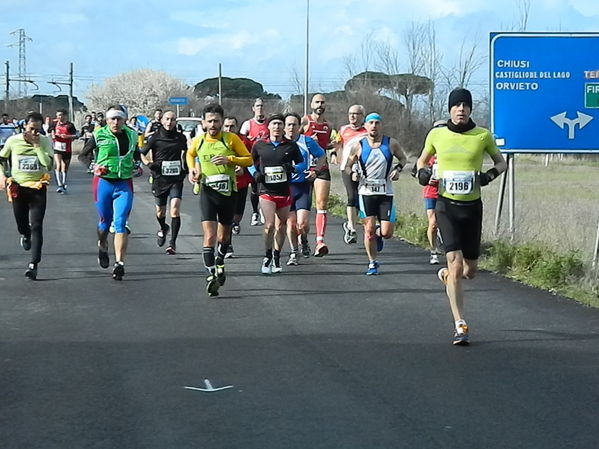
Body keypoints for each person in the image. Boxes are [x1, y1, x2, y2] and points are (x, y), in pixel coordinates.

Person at [416, 88, 507, 345]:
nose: (461, 110)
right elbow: (421, 163)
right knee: (455, 264)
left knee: (469, 271)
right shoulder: (437, 134)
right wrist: (423, 174)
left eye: (466, 106)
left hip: (472, 207)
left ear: (470, 110)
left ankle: (448, 277)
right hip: (446, 206)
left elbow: (501, 163)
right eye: (457, 105)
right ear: (449, 109)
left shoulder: (482, 136)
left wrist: (487, 177)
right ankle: (460, 324)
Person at [186, 104, 252, 297]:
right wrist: (192, 170)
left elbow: (248, 159)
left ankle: (220, 261)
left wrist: (230, 160)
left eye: (216, 121)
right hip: (208, 192)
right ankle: (211, 275)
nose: (213, 125)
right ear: (204, 123)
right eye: (209, 121)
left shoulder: (230, 139)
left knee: (224, 237)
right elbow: (190, 155)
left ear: (222, 121)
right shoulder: (198, 142)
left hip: (228, 193)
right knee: (209, 237)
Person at [79, 105, 140, 280]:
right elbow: (83, 156)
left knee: (120, 223)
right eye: (112, 118)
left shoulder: (132, 135)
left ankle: (119, 263)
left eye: (119, 118)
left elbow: (136, 154)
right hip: (103, 183)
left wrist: (138, 164)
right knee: (105, 223)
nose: (115, 122)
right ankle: (102, 244)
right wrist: (94, 166)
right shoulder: (99, 135)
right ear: (107, 120)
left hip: (124, 183)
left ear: (124, 120)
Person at [345, 112, 407, 276]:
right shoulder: (359, 145)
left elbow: (403, 159)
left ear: (381, 125)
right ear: (365, 126)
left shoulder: (391, 143)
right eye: (370, 123)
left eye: (377, 123)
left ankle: (380, 235)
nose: (374, 126)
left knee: (386, 232)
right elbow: (348, 165)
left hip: (385, 193)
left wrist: (398, 169)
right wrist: (353, 173)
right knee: (369, 229)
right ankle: (372, 262)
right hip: (366, 192)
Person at [0, 112, 53, 280]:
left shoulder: (44, 141)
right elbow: (1, 159)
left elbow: (48, 164)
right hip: (18, 187)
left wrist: (37, 146)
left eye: (38, 130)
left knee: (37, 225)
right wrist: (2, 176)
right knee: (22, 223)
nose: (35, 133)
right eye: (32, 129)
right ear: (25, 127)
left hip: (38, 187)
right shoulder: (13, 141)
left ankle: (33, 264)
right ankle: (25, 234)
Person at [252, 113, 303, 274]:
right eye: (274, 124)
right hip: (266, 191)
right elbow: (249, 162)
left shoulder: (290, 146)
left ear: (283, 127)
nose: (277, 127)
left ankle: (276, 255)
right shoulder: (260, 145)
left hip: (284, 192)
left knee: (281, 226)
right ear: (268, 126)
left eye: (280, 124)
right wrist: (255, 174)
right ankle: (267, 256)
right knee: (269, 225)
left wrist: (293, 168)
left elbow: (302, 163)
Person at [140, 110, 188, 255]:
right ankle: (163, 227)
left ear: (175, 122)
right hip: (160, 178)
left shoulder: (180, 138)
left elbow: (186, 153)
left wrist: (186, 166)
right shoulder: (155, 138)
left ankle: (172, 243)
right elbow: (142, 152)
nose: (169, 122)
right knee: (160, 212)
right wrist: (149, 164)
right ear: (162, 121)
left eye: (172, 119)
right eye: (167, 119)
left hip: (176, 178)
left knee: (175, 208)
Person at [283, 112, 325, 264]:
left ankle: (305, 239)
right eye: (288, 124)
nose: (291, 128)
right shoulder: (278, 143)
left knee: (303, 223)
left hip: (302, 187)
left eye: (294, 124)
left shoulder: (306, 141)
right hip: (285, 188)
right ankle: (294, 252)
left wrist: (316, 171)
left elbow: (322, 155)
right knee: (291, 224)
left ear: (300, 127)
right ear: (283, 127)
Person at [302, 93, 334, 256]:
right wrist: (308, 139)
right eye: (317, 102)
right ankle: (303, 238)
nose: (320, 105)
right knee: (304, 208)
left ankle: (320, 241)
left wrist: (332, 146)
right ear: (311, 104)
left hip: (322, 167)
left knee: (321, 203)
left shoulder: (328, 125)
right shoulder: (305, 121)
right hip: (305, 168)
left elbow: (325, 145)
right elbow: (293, 138)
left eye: (322, 102)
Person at [222, 115, 253, 258]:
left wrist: (243, 169)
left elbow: (252, 160)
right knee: (226, 216)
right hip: (223, 183)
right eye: (226, 126)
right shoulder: (218, 140)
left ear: (237, 127)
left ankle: (235, 223)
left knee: (238, 214)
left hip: (241, 183)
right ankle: (227, 245)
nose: (229, 129)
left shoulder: (245, 141)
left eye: (232, 126)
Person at [337, 104, 367, 245]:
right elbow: (337, 144)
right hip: (347, 168)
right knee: (351, 197)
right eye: (350, 113)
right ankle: (352, 229)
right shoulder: (343, 129)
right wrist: (332, 152)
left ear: (362, 116)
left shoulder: (368, 130)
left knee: (362, 199)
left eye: (356, 114)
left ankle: (355, 224)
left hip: (364, 170)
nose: (352, 116)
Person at [240, 98, 268, 226]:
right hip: (252, 159)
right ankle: (254, 212)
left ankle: (263, 210)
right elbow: (240, 141)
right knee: (254, 187)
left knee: (264, 185)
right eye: (257, 106)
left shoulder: (269, 124)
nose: (260, 108)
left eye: (261, 106)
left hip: (266, 159)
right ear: (253, 108)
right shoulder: (248, 124)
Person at [49, 109, 77, 194]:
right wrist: (53, 133)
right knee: (58, 165)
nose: (59, 117)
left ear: (65, 115)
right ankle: (59, 185)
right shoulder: (54, 123)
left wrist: (67, 136)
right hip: (57, 147)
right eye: (57, 115)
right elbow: (49, 131)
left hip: (67, 148)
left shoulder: (70, 125)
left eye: (60, 115)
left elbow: (76, 135)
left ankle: (64, 184)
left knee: (65, 168)